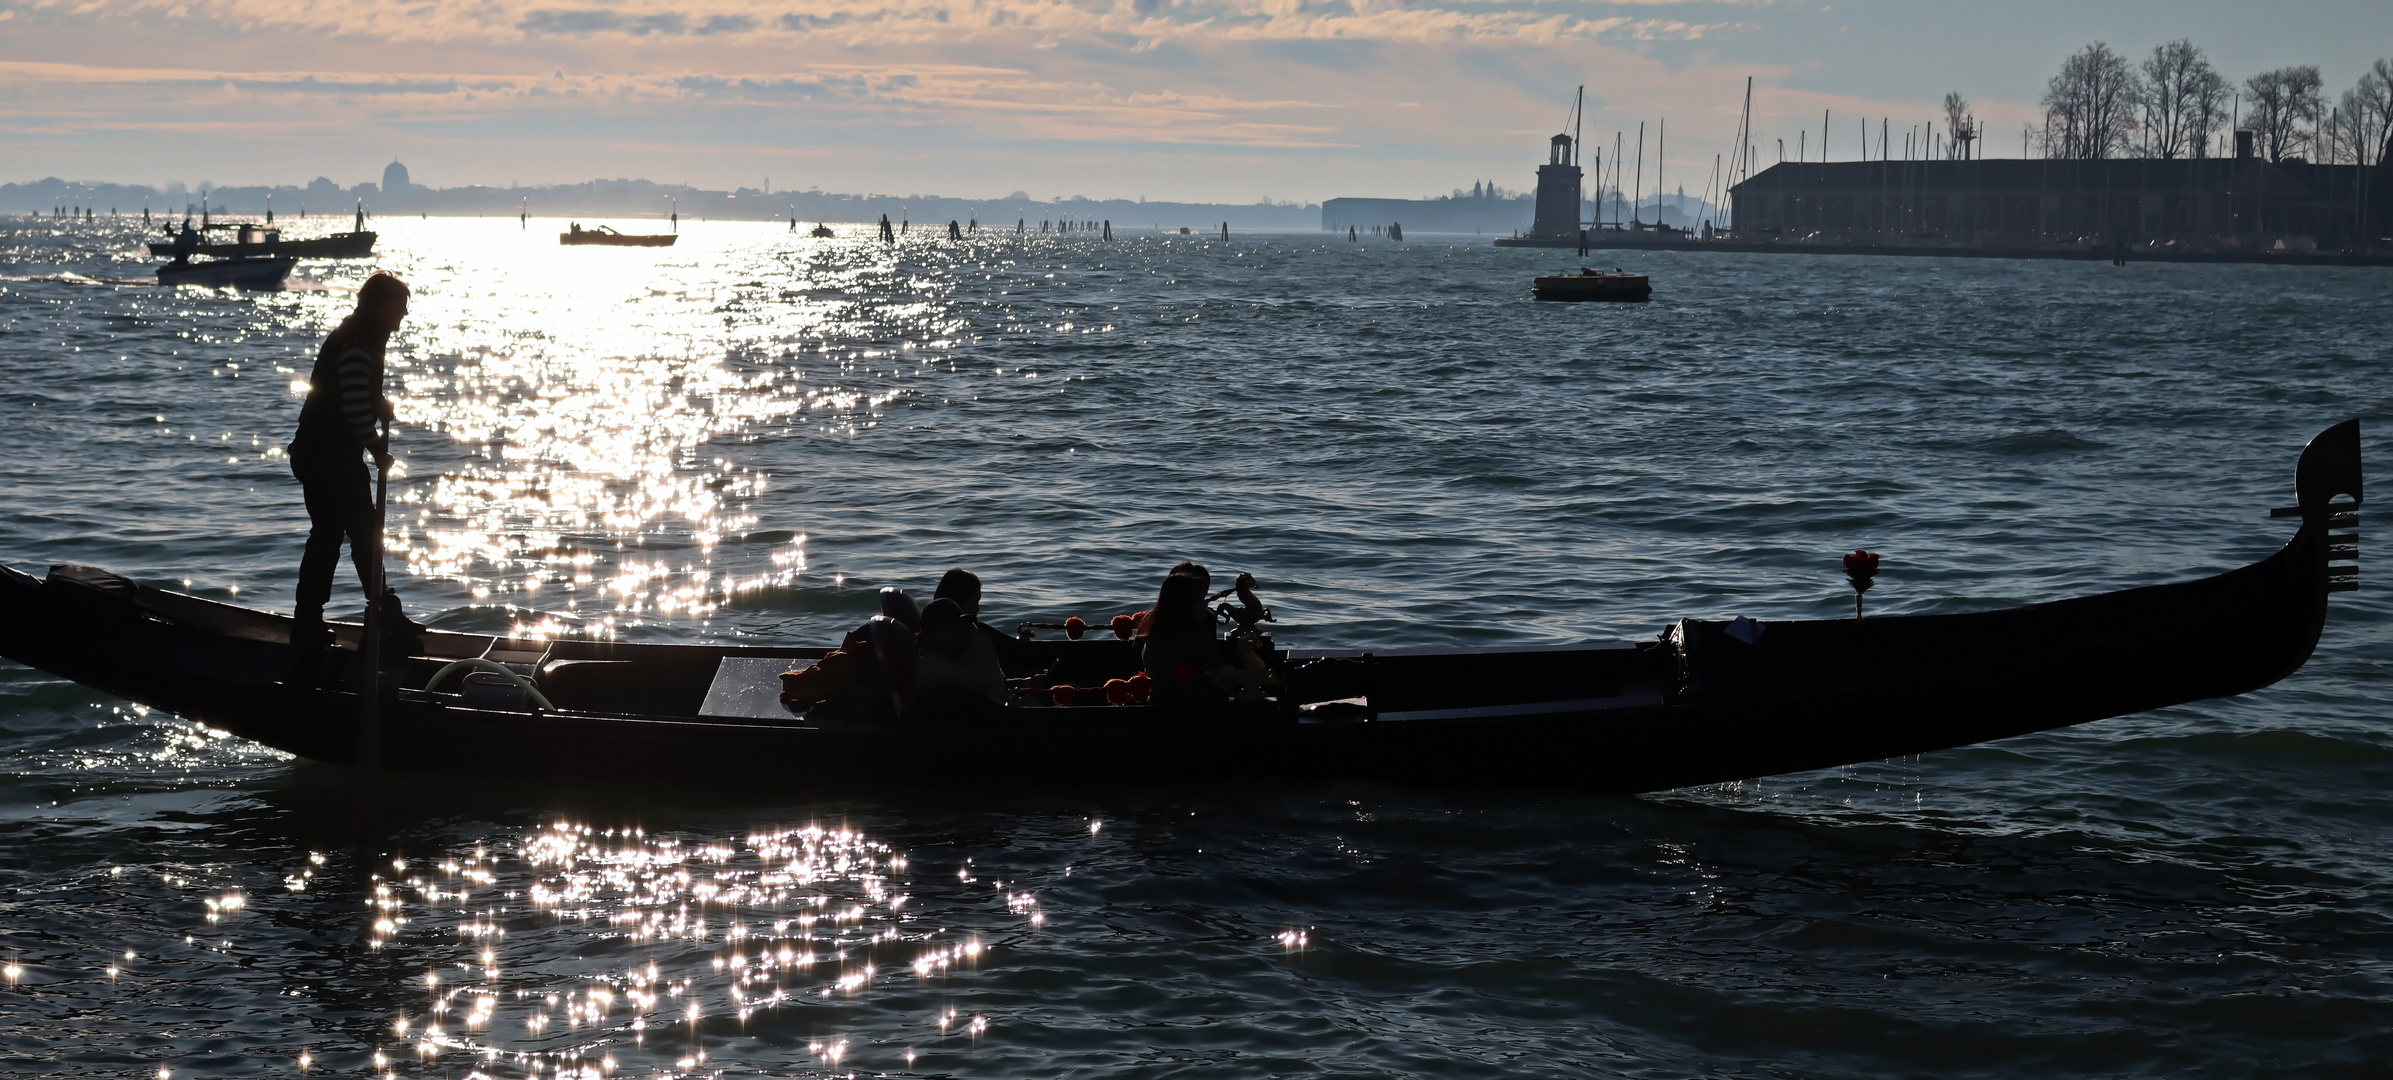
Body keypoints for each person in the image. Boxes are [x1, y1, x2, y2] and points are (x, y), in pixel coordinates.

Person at [286, 271, 423, 651]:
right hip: (324, 458)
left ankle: (378, 614)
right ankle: (318, 623)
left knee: (357, 536)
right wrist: (379, 449)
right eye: (400, 307)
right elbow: (353, 410)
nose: (404, 315)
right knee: (340, 537)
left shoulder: (362, 339)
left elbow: (356, 394)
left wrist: (377, 404)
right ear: (380, 307)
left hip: (333, 456)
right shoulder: (358, 345)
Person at [1137, 568, 1223, 705]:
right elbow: (1216, 682)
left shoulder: (1154, 634)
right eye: (1199, 599)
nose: (1204, 604)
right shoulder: (1199, 639)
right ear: (1183, 604)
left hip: (1157, 706)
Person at [907, 598, 1006, 712]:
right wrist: (980, 639)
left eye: (959, 625)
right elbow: (994, 685)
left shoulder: (951, 653)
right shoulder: (931, 666)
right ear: (927, 634)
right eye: (949, 627)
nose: (958, 632)